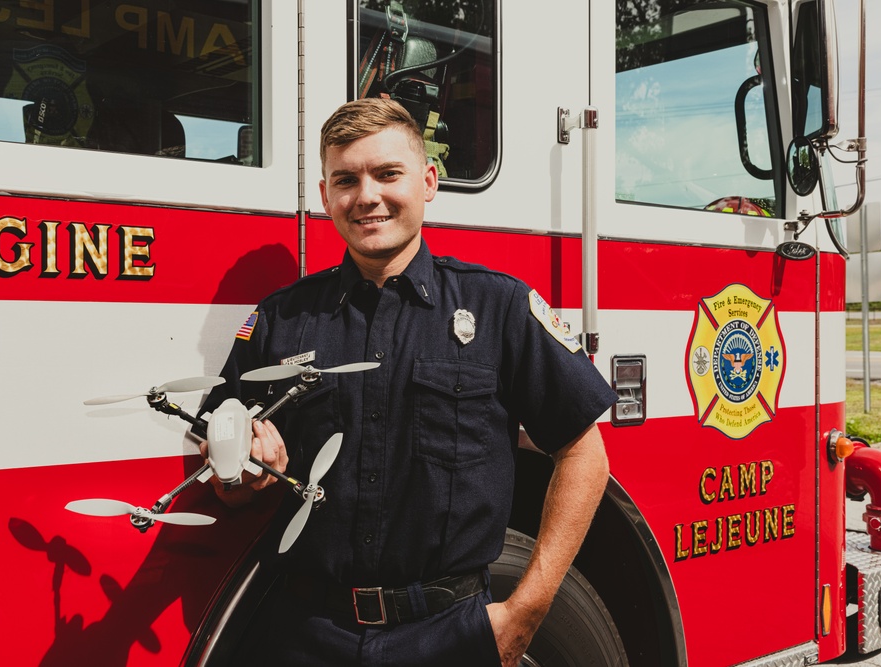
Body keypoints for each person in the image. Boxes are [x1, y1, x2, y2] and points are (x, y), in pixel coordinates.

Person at [197, 97, 618, 667]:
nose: (366, 196)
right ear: (325, 197)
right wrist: (243, 469)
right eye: (345, 179)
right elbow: (228, 479)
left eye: (387, 173)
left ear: (428, 183)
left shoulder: (499, 307)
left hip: (449, 633)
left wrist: (528, 610)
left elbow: (585, 454)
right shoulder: (280, 320)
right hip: (306, 633)